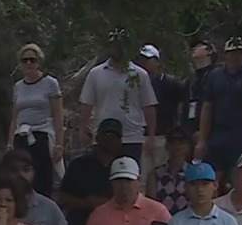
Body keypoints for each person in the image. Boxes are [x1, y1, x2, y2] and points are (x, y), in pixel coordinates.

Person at [195, 36, 242, 176]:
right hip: (217, 136)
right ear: (226, 54)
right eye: (233, 53)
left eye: (241, 53)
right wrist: (202, 140)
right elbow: (207, 108)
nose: (237, 56)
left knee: (237, 177)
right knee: (212, 176)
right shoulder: (214, 76)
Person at [78, 29, 157, 163]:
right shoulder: (96, 73)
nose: (117, 49)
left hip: (132, 138)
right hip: (103, 136)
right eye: (114, 45)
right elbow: (87, 104)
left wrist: (151, 135)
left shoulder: (140, 74)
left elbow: (149, 106)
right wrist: (83, 129)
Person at [7, 43, 63, 197]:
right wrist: (10, 142)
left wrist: (59, 144)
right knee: (20, 180)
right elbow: (14, 117)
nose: (29, 63)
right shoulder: (18, 87)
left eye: (32, 60)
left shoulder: (50, 83)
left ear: (39, 61)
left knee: (42, 180)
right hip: (22, 136)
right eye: (25, 60)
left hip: (42, 135)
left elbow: (58, 116)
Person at [58, 118, 125, 225]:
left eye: (114, 136)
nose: (109, 139)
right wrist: (86, 203)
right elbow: (62, 197)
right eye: (106, 134)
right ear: (98, 137)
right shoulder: (78, 164)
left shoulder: (125, 166)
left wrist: (106, 204)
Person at [138, 44, 187, 177]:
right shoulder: (135, 83)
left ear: (157, 61)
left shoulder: (171, 83)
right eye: (142, 60)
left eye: (148, 60)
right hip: (140, 136)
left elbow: (183, 104)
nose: (144, 63)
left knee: (163, 175)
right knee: (143, 176)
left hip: (163, 136)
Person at [150, 129, 194, 214]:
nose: (177, 146)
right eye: (173, 142)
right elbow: (151, 205)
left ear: (188, 146)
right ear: (167, 145)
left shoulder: (194, 173)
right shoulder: (155, 174)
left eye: (181, 142)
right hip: (162, 222)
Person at [182, 39, 216, 133]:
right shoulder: (190, 80)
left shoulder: (216, 75)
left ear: (209, 51)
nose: (194, 49)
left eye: (198, 46)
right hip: (190, 130)